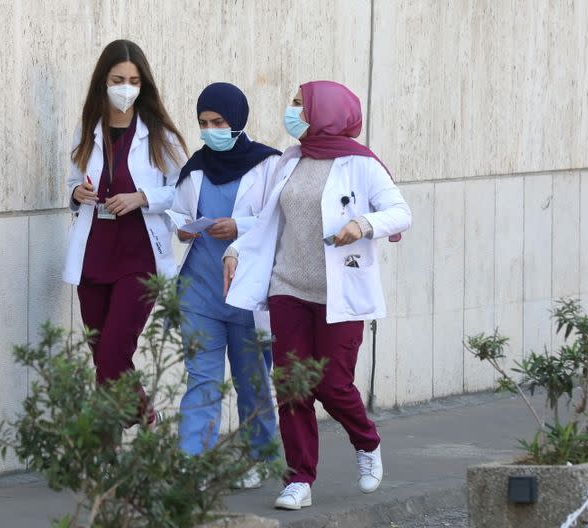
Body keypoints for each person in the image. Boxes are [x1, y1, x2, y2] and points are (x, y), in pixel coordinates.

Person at [222, 81, 411, 510]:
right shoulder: (290, 161)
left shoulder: (360, 165)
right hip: (289, 287)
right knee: (292, 386)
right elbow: (265, 220)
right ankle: (299, 479)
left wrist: (362, 225)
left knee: (331, 383)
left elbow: (401, 212)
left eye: (299, 103)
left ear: (324, 111)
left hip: (339, 294)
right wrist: (235, 250)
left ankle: (366, 441)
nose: (292, 111)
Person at [62, 39, 187, 427]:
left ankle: (136, 420)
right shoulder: (89, 130)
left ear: (143, 84)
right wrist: (75, 192)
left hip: (139, 257)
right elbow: (72, 179)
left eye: (133, 80)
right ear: (103, 81)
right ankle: (122, 436)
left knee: (115, 351)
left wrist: (142, 197)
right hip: (95, 255)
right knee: (101, 352)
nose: (126, 88)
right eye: (118, 79)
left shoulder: (159, 135)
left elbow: (184, 192)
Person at [169, 82, 281, 488]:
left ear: (237, 119)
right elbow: (178, 215)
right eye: (203, 123)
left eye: (218, 122)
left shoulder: (269, 164)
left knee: (252, 381)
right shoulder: (195, 167)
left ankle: (260, 456)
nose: (210, 130)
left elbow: (277, 221)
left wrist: (239, 226)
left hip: (248, 294)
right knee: (202, 379)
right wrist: (183, 231)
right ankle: (192, 463)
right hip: (201, 291)